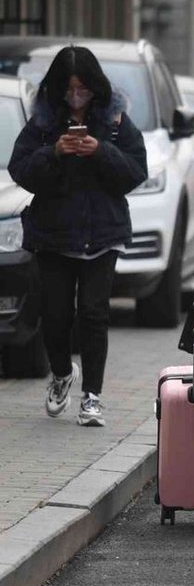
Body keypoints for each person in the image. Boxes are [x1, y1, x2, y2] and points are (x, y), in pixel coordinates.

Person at [8, 46, 147, 427]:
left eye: (82, 90)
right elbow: (20, 170)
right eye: (68, 91)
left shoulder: (116, 121)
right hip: (53, 235)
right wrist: (54, 151)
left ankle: (92, 396)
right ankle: (61, 374)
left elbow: (136, 172)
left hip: (103, 234)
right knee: (55, 315)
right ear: (56, 90)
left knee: (94, 313)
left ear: (95, 88)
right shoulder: (43, 123)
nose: (76, 98)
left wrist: (100, 151)